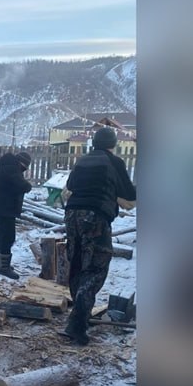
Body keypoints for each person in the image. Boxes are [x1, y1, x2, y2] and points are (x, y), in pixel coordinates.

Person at [62, 127, 136, 345]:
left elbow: (71, 185)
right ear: (113, 144)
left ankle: (79, 315)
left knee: (77, 263)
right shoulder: (114, 162)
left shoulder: (83, 160)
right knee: (95, 268)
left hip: (72, 215)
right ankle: (77, 325)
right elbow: (129, 194)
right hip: (95, 216)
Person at [0, 151, 32, 279]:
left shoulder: (6, 167)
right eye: (25, 167)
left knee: (2, 236)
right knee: (8, 237)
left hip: (2, 208)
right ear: (21, 163)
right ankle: (4, 267)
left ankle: (0, 264)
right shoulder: (11, 169)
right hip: (6, 209)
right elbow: (22, 185)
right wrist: (28, 185)